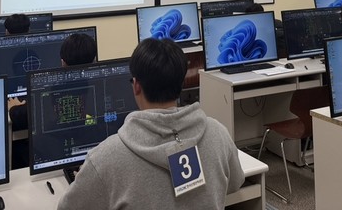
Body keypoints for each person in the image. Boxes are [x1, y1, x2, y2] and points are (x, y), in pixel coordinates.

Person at [57, 38, 245, 210]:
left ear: (136, 85)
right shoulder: (218, 133)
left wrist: (89, 178)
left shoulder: (103, 159)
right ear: (182, 83)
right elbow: (235, 183)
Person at [9, 32, 97, 167]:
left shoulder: (52, 91)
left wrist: (14, 108)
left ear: (63, 62)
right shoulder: (102, 86)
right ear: (94, 60)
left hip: (56, 157)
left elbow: (23, 116)